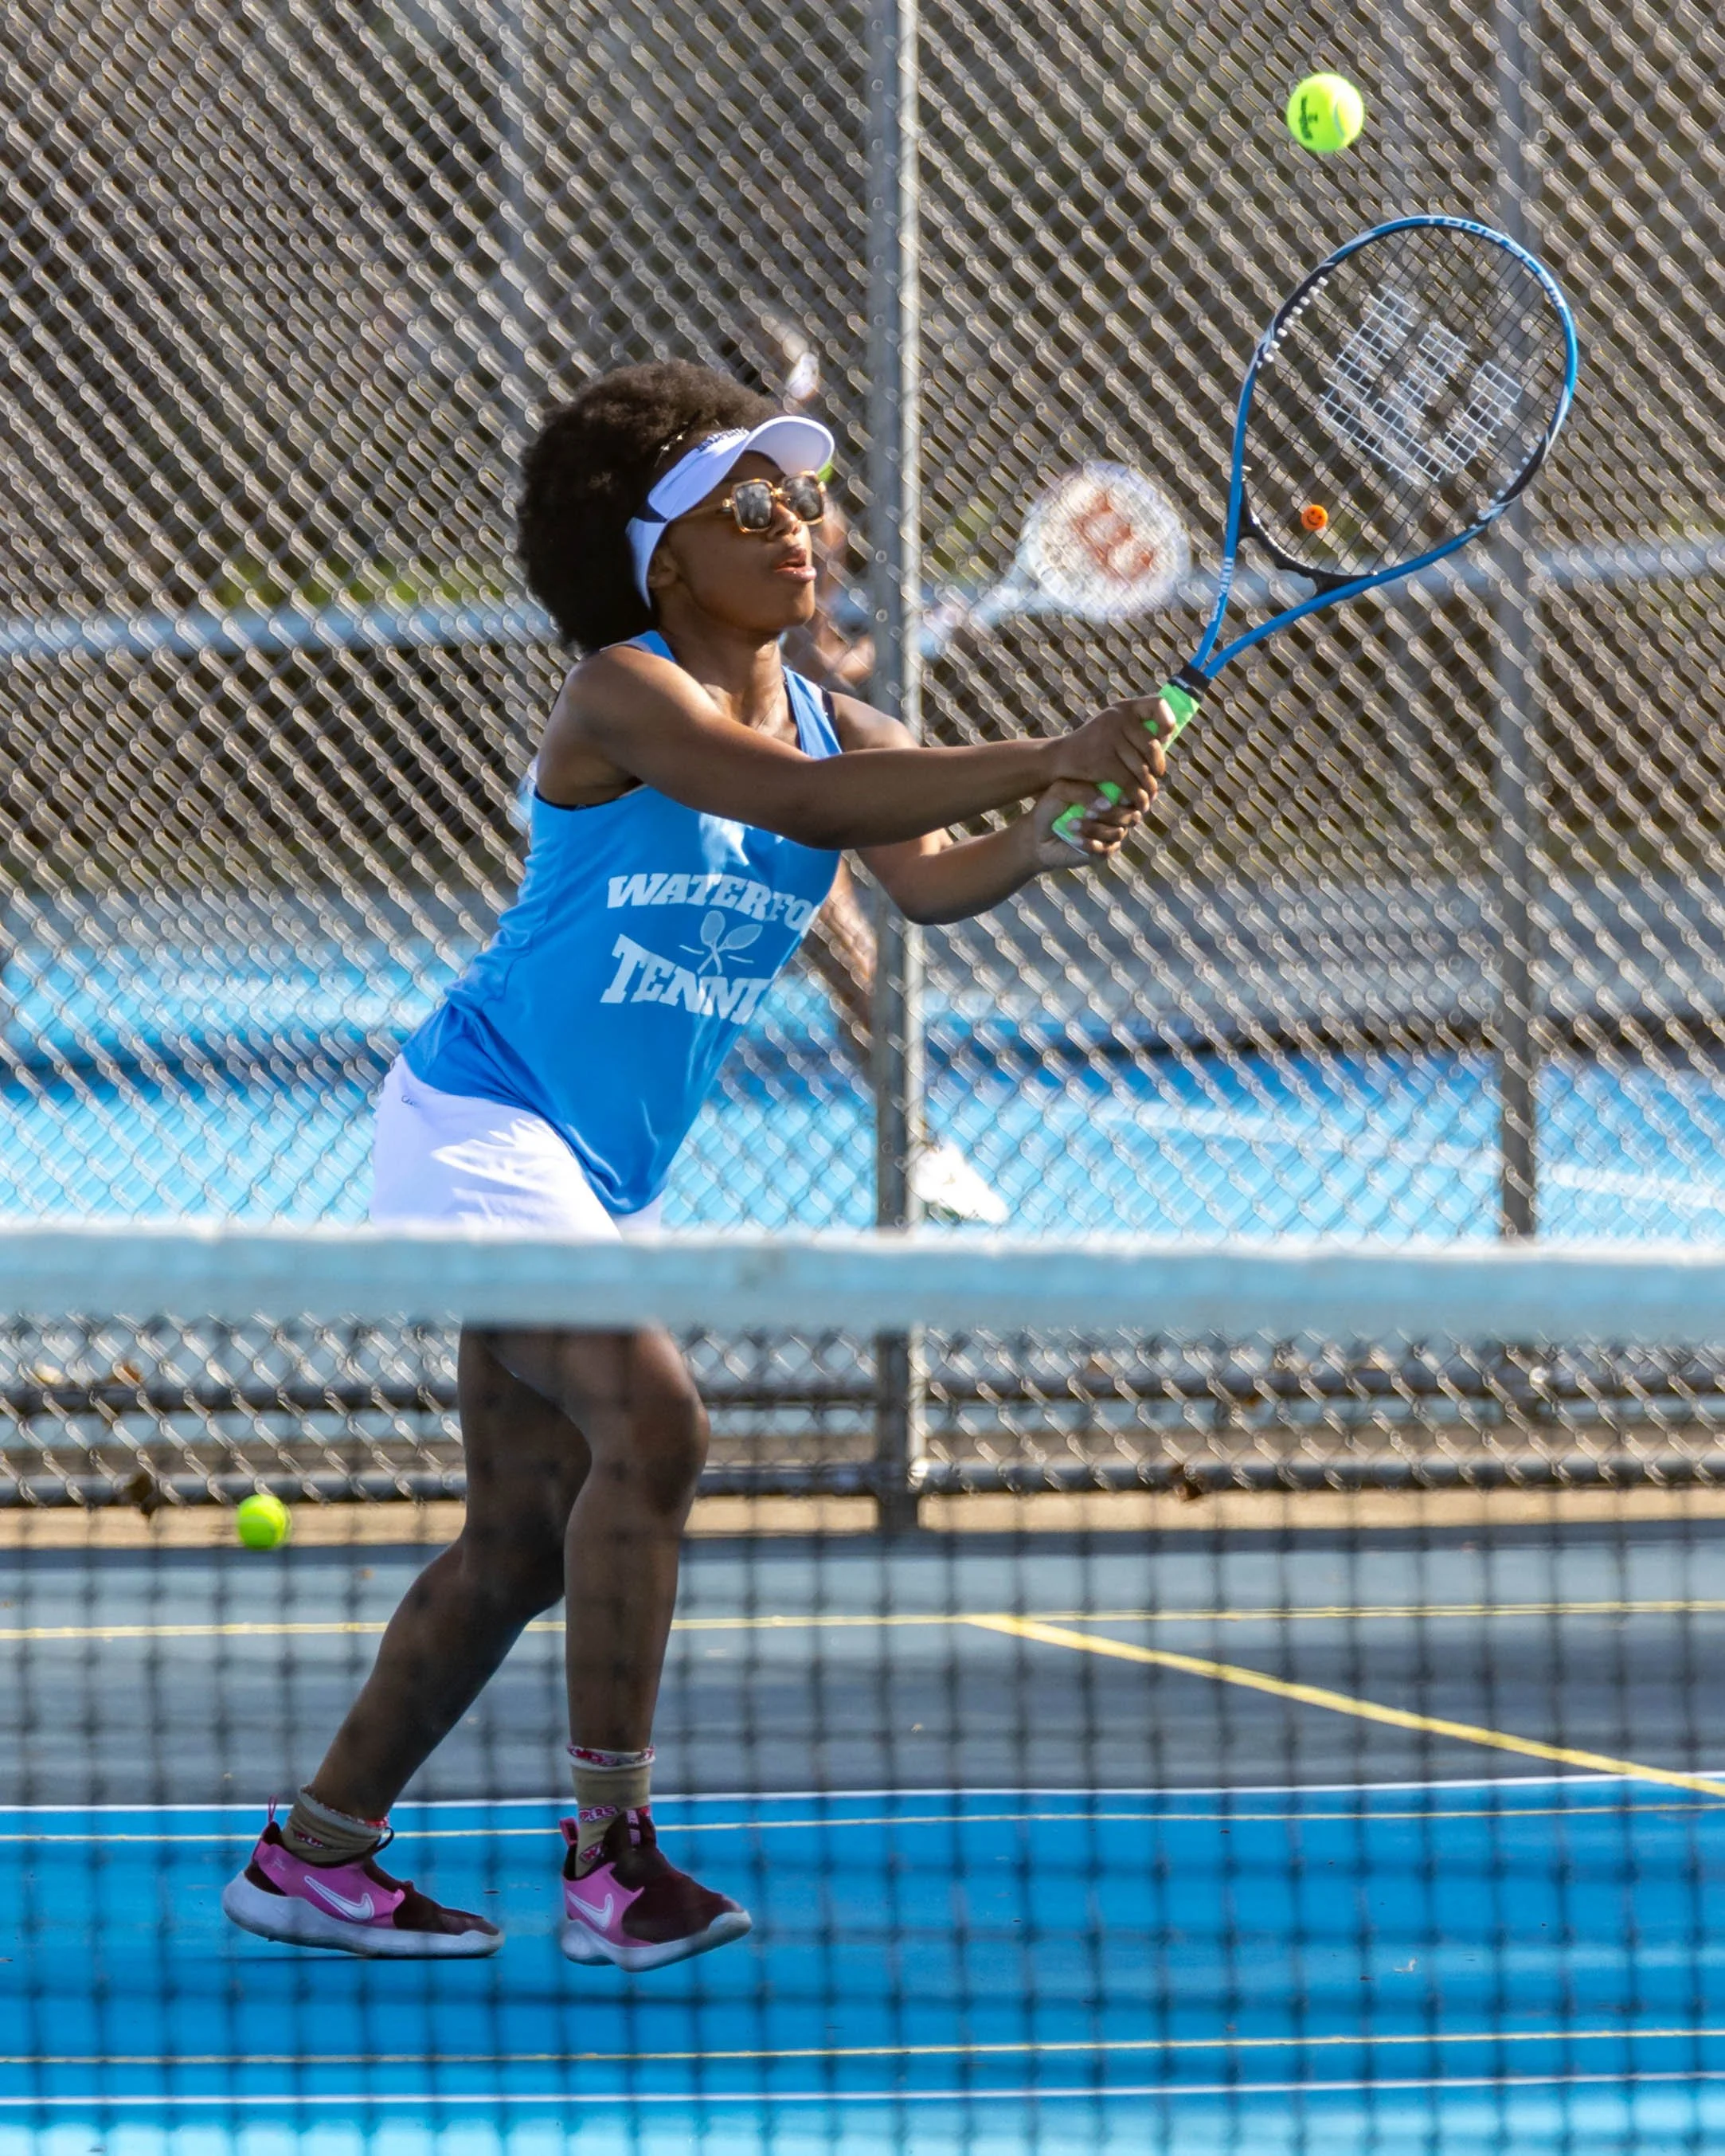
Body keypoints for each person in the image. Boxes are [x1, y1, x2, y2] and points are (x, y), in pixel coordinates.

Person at [221, 360, 1166, 1970]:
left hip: (602, 1176)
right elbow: (799, 801)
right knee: (656, 1422)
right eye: (752, 508)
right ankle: (612, 1855)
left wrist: (1049, 830)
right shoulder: (619, 694)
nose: (799, 527)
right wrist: (1038, 749)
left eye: (802, 500)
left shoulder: (840, 710)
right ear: (664, 563)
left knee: (524, 1533)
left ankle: (314, 1851)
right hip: (480, 1129)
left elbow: (926, 884)